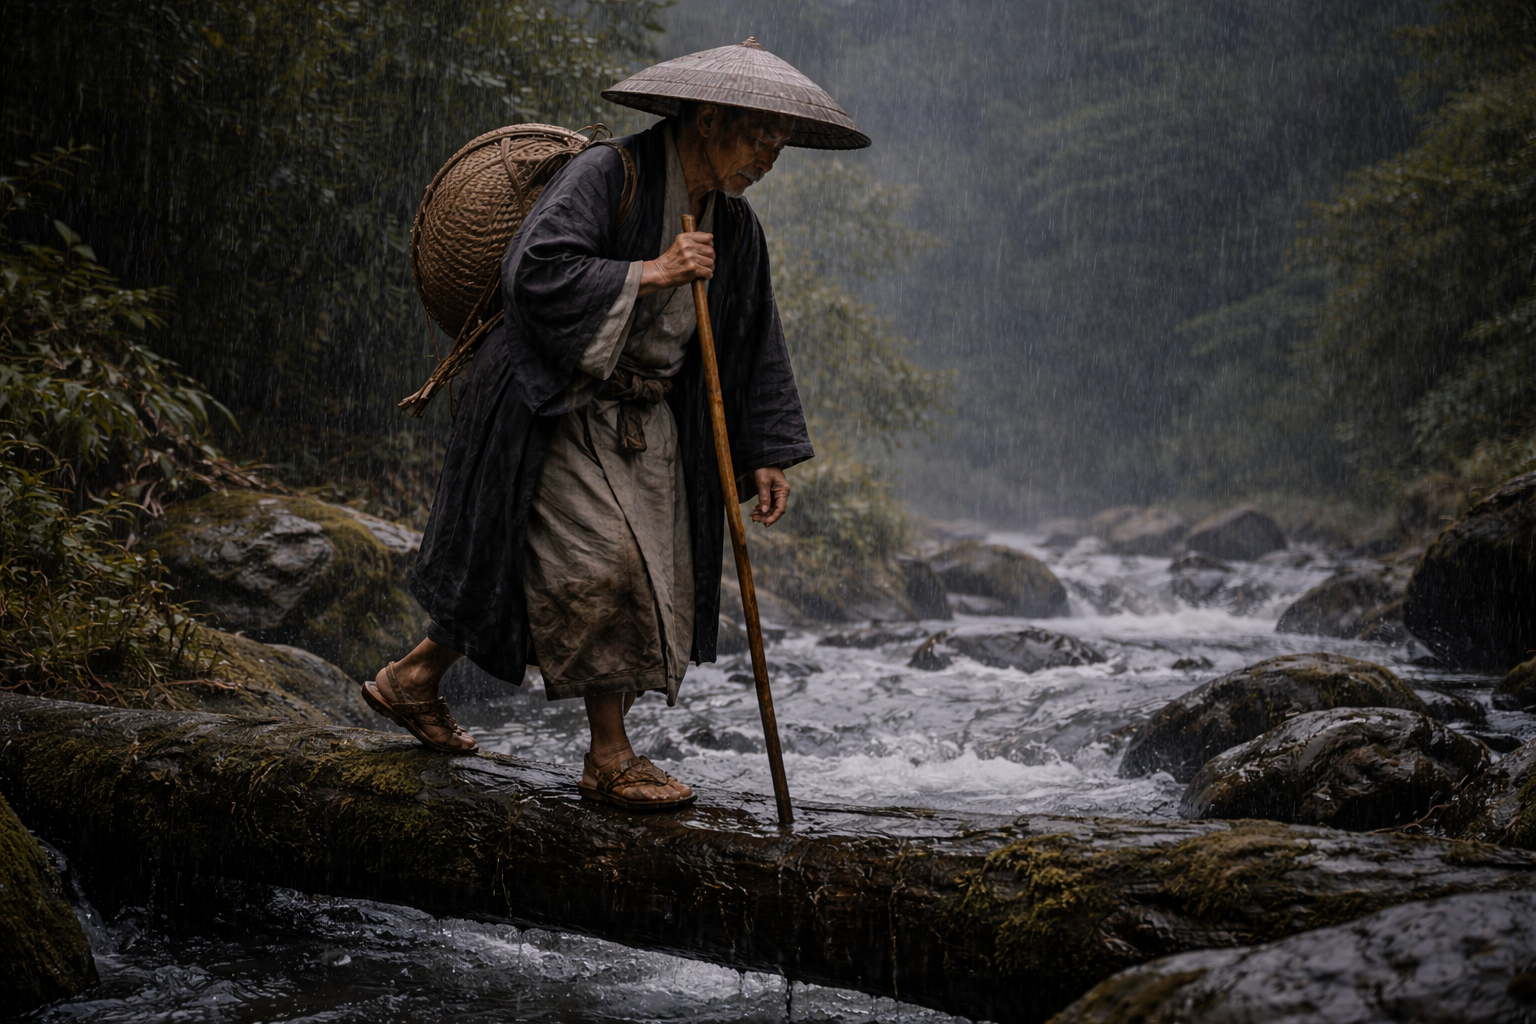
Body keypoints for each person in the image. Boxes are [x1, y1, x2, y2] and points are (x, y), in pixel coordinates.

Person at [364, 38, 870, 810]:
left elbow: (754, 341)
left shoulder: (735, 228)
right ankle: (609, 757)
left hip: (648, 420)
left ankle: (413, 677)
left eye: (780, 143)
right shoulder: (610, 174)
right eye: (759, 136)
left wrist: (767, 451)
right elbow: (533, 270)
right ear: (707, 118)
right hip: (556, 401)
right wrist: (655, 270)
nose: (771, 156)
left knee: (645, 579)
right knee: (607, 566)